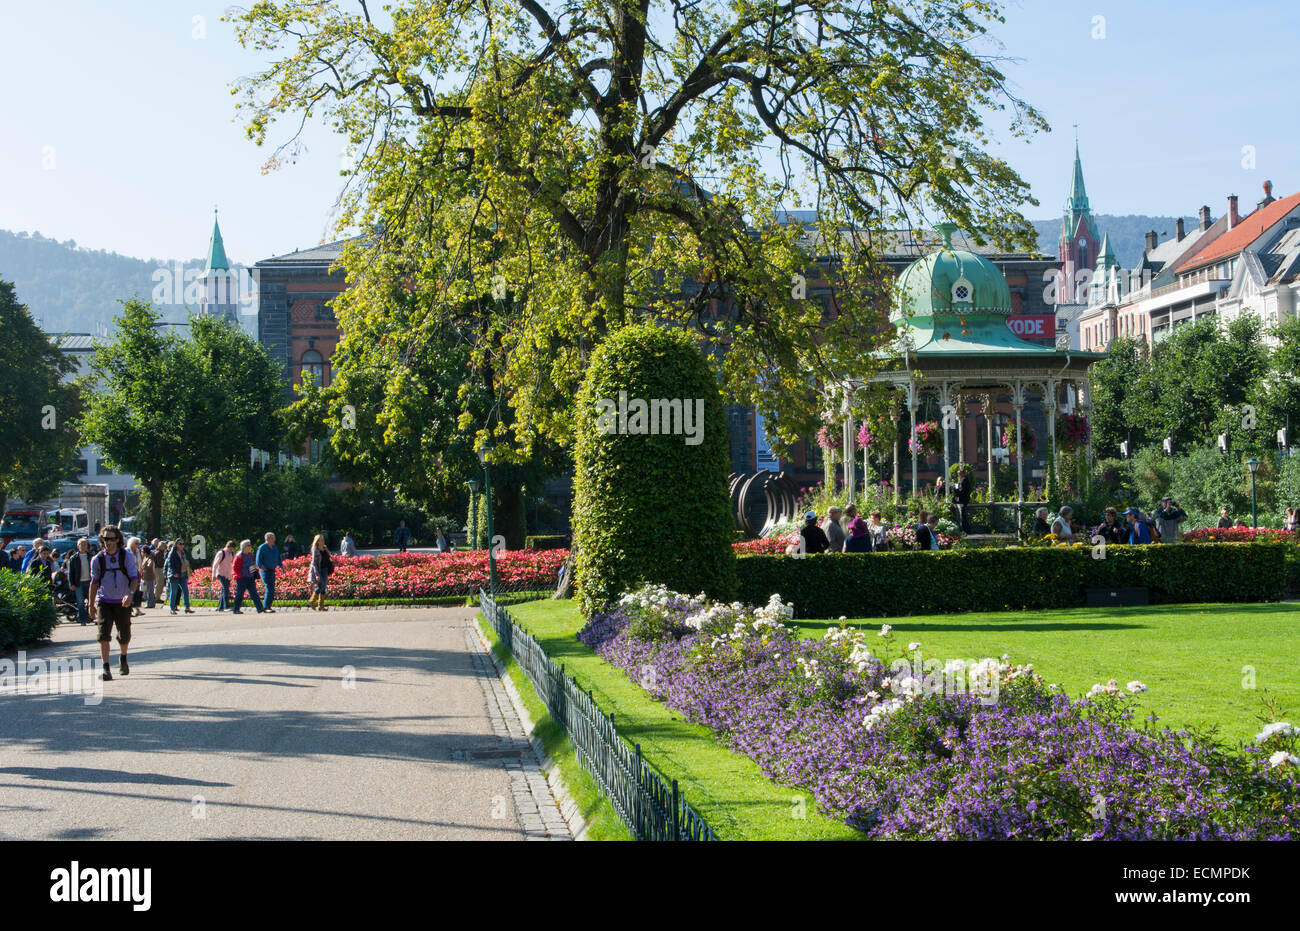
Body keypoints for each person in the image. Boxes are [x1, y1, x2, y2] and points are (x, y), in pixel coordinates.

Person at [88, 524, 139, 680]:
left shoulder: (126, 557)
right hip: (104, 601)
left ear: (117, 539)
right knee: (103, 635)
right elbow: (94, 583)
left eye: (111, 539)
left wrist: (130, 595)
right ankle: (106, 668)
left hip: (122, 601)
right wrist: (91, 605)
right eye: (105, 539)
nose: (108, 542)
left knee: (124, 635)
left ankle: (123, 658)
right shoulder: (97, 560)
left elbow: (134, 579)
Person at [231, 540, 265, 614]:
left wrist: (255, 571)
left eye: (250, 545)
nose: (250, 547)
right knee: (240, 594)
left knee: (254, 593)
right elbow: (234, 567)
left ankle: (260, 608)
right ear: (244, 547)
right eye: (248, 545)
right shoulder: (239, 555)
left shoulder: (250, 555)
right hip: (242, 578)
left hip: (250, 577)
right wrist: (239, 576)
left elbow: (252, 564)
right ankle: (236, 609)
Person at [68, 537, 93, 625]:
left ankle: (88, 617)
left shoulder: (90, 557)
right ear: (78, 546)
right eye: (81, 545)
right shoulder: (73, 558)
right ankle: (82, 620)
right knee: (80, 602)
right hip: (78, 583)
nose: (83, 546)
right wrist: (71, 583)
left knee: (90, 601)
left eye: (85, 545)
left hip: (90, 582)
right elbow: (70, 572)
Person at [165, 538, 194, 614]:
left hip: (183, 574)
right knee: (174, 592)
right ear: (176, 545)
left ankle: (187, 607)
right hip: (175, 575)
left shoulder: (183, 553)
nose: (182, 545)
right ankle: (172, 608)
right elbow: (170, 564)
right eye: (180, 544)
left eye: (183, 544)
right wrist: (173, 573)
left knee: (185, 591)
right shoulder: (172, 553)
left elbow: (186, 561)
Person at [256, 532, 281, 612]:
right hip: (265, 570)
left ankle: (268, 606)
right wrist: (261, 566)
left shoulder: (274, 547)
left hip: (272, 570)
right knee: (269, 587)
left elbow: (278, 557)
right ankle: (266, 607)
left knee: (272, 588)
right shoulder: (262, 547)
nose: (274, 540)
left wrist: (280, 565)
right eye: (273, 538)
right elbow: (258, 559)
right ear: (267, 539)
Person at [307, 534, 333, 611]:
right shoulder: (315, 549)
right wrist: (317, 574)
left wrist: (327, 552)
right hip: (318, 570)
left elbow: (329, 557)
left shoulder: (325, 548)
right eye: (320, 540)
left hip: (325, 569)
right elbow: (314, 563)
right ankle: (312, 601)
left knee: (323, 587)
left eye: (323, 539)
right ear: (317, 542)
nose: (322, 541)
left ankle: (321, 606)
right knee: (320, 586)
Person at [212, 540, 236, 611]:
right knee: (225, 588)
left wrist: (231, 575)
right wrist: (213, 575)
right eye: (231, 548)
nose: (232, 550)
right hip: (220, 573)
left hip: (227, 575)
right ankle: (226, 606)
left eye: (233, 549)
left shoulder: (232, 554)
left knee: (224, 590)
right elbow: (215, 564)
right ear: (228, 546)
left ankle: (220, 607)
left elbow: (231, 565)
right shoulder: (221, 553)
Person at [127, 537, 145, 615]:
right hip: (129, 573)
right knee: (130, 590)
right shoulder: (127, 551)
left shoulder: (137, 551)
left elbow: (140, 562)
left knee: (137, 591)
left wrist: (140, 570)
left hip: (137, 572)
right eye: (136, 543)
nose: (138, 545)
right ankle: (129, 609)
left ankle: (137, 608)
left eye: (138, 543)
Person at [953, 467, 973, 533]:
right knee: (963, 515)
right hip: (964, 499)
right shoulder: (963, 480)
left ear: (962, 474)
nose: (958, 475)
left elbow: (962, 491)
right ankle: (966, 529)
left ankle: (966, 530)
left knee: (963, 515)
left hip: (963, 499)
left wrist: (955, 489)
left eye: (959, 474)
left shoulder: (964, 480)